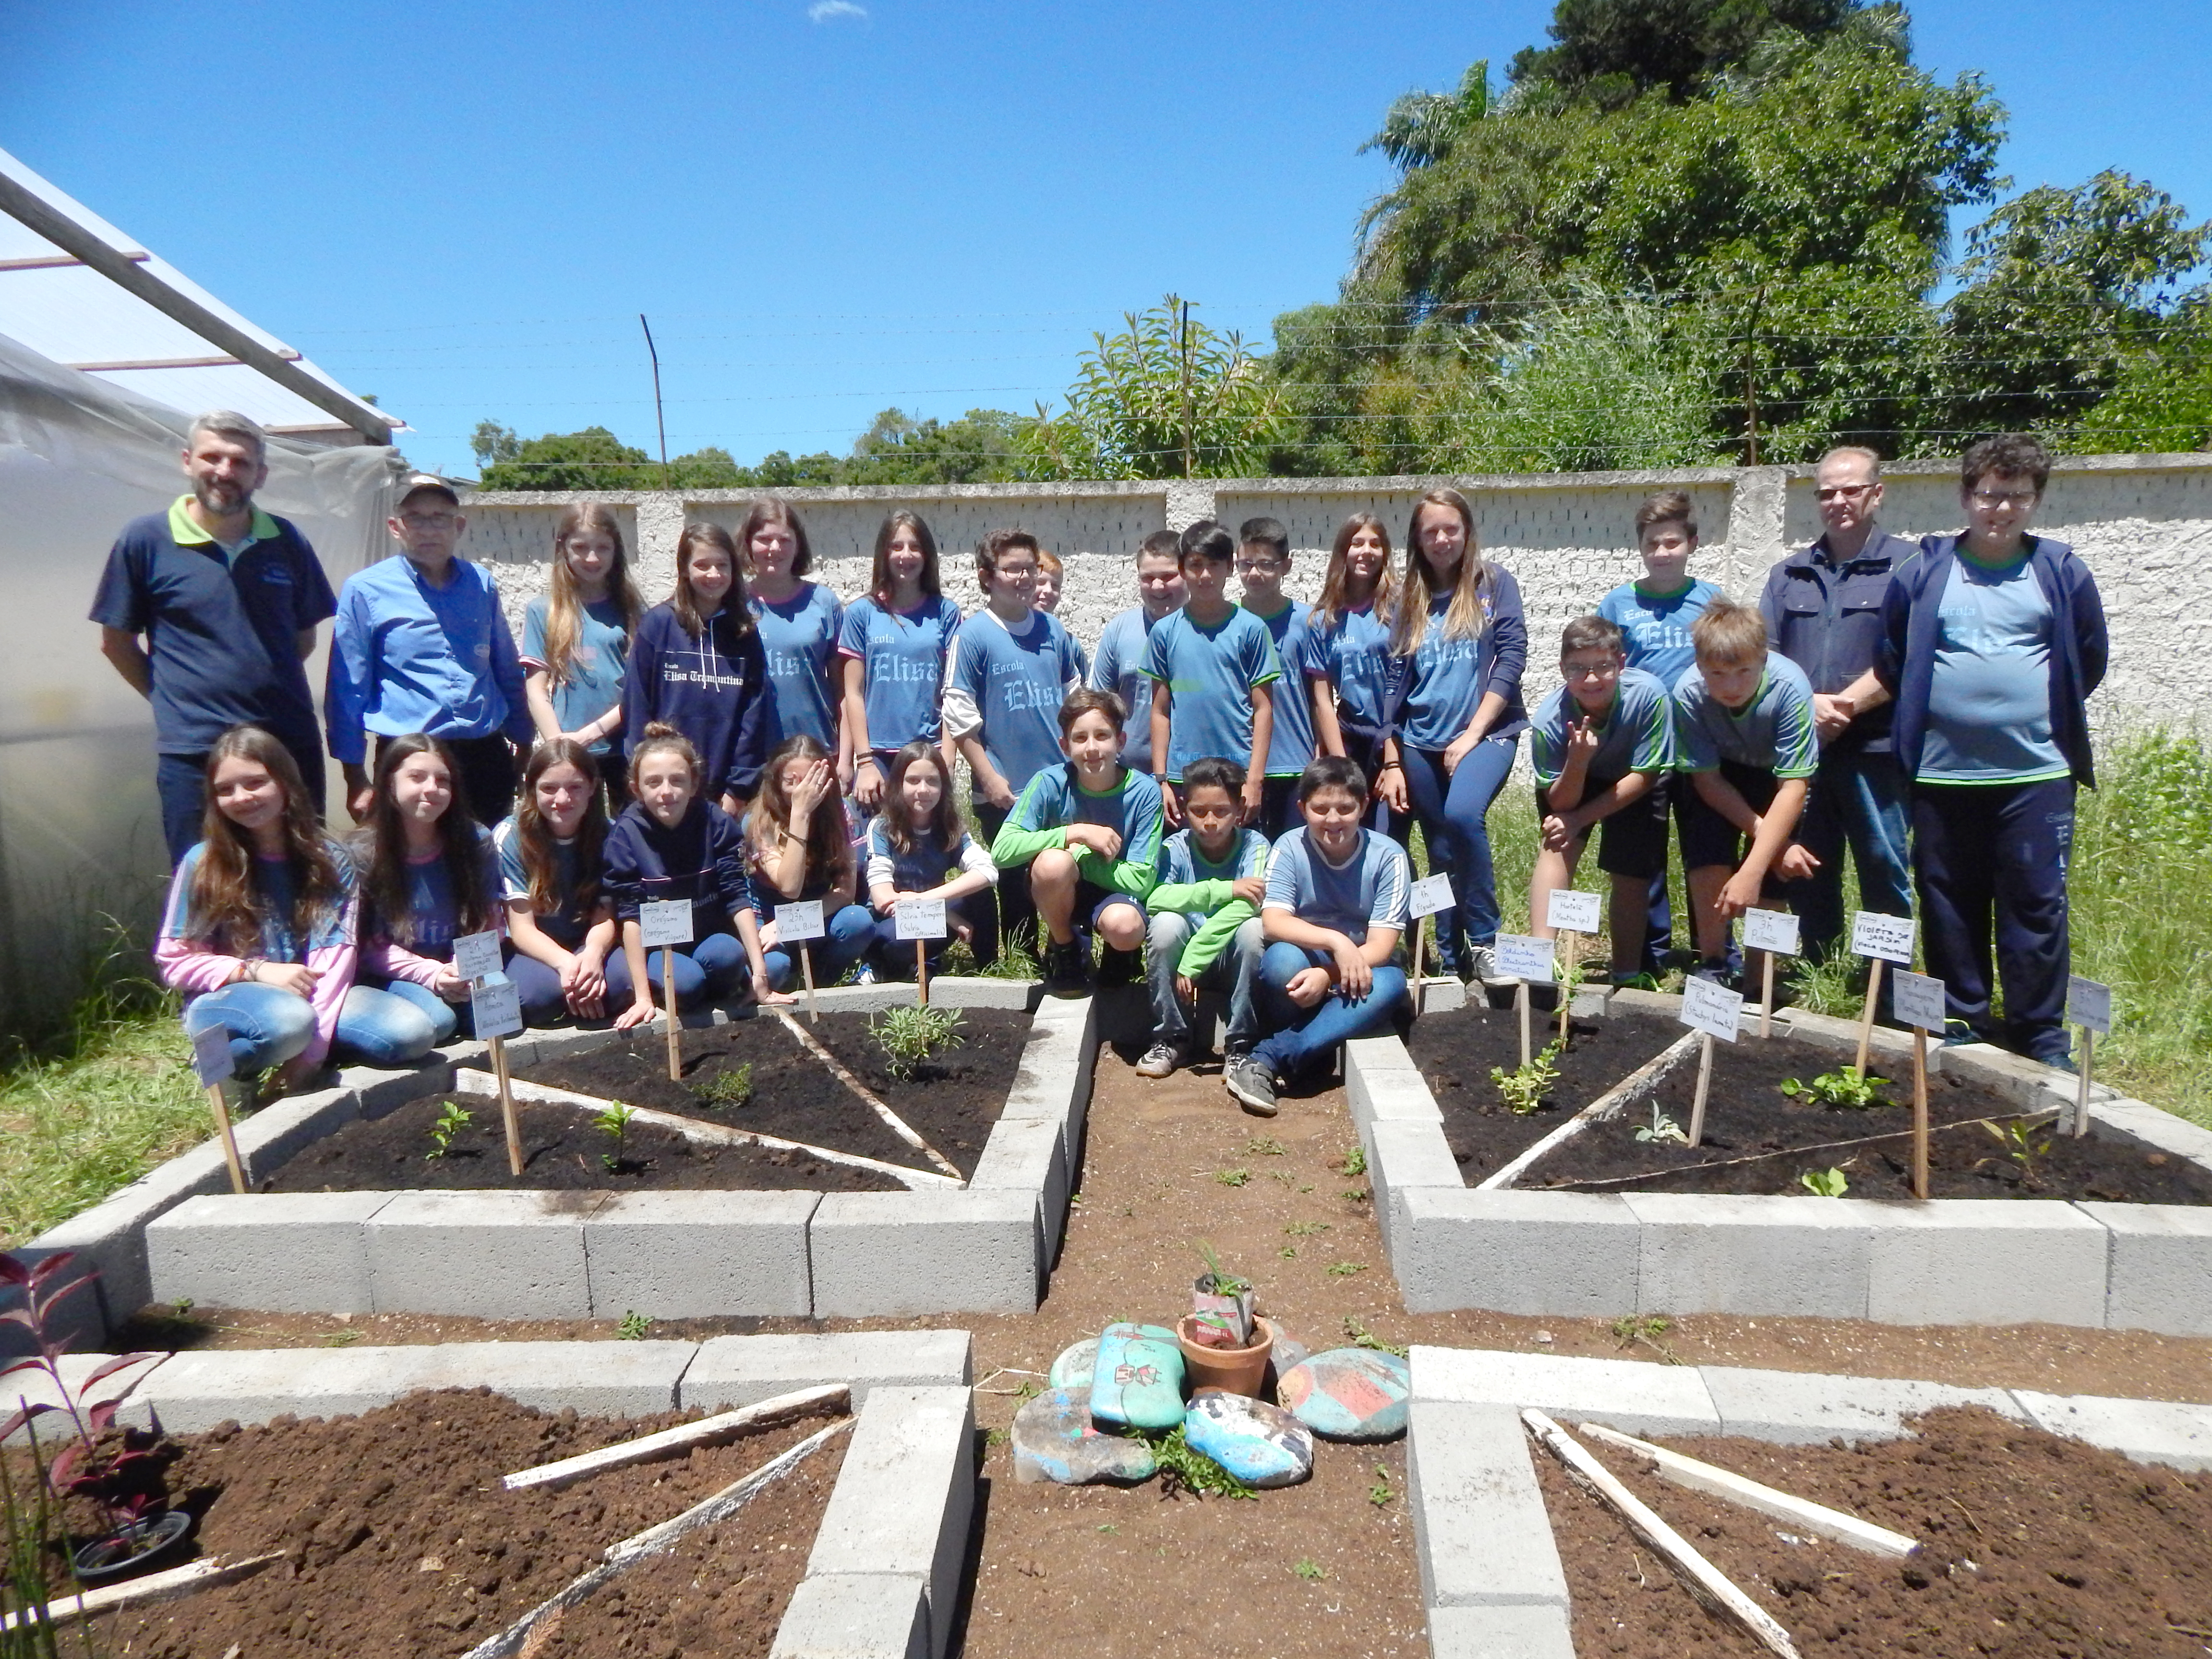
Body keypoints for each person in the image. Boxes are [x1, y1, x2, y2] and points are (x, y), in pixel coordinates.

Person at [1875, 434, 2107, 1065]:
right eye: (1989, 495)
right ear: (1965, 496)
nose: (2000, 510)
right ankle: (1963, 1016)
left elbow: (2089, 658)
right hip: (1943, 777)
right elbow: (1893, 657)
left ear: (2036, 501)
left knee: (2035, 905)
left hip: (2036, 776)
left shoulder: (2061, 572)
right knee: (1949, 901)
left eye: (2016, 497)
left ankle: (2039, 1032)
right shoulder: (1923, 572)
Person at [92, 410, 338, 864]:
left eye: (240, 462)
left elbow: (302, 640)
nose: (224, 471)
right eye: (212, 457)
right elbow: (116, 642)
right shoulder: (144, 540)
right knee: (206, 884)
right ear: (187, 461)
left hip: (288, 745)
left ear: (260, 475)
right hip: (195, 752)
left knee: (305, 875)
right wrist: (174, 699)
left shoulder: (287, 540)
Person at [157, 725, 437, 1088]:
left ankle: (292, 1048)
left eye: (256, 782)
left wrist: (311, 1056)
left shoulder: (330, 859)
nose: (242, 797)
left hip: (309, 994)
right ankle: (225, 1071)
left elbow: (334, 959)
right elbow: (174, 962)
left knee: (412, 1034)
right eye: (225, 790)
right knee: (291, 1024)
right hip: (229, 996)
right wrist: (254, 971)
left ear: (286, 785)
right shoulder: (204, 862)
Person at [1757, 447, 1916, 962]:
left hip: (1877, 747)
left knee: (1883, 863)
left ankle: (1885, 983)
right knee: (1807, 865)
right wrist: (1809, 707)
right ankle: (1817, 968)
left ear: (1877, 493)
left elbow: (1912, 653)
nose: (1839, 501)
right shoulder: (1789, 575)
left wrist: (1844, 706)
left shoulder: (1911, 566)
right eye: (1827, 493)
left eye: (1851, 490)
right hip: (1805, 750)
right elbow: (1766, 658)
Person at [326, 477, 533, 829]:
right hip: (408, 756)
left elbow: (505, 666)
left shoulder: (481, 583)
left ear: (459, 526)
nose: (429, 530)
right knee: (410, 868)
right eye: (416, 518)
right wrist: (354, 777)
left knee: (484, 865)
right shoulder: (366, 589)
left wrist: (524, 738)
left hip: (482, 753)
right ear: (396, 528)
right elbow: (348, 688)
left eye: (440, 517)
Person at [1228, 756, 1411, 1118]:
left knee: (1391, 983)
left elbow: (1382, 946)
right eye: (1320, 809)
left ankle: (1268, 1058)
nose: (1332, 820)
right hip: (1305, 957)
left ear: (1363, 806)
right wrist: (1336, 943)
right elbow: (1274, 923)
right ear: (1302, 808)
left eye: (1345, 809)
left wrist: (1329, 976)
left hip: (1357, 969)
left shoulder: (1389, 857)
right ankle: (1315, 1045)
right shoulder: (1289, 847)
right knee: (1282, 962)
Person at [1394, 489, 1526, 984]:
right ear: (1419, 540)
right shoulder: (1409, 596)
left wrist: (1472, 734)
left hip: (1488, 734)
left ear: (1466, 531)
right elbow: (1396, 677)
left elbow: (1512, 658)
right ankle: (1450, 960)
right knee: (1440, 848)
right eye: (1431, 531)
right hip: (1419, 740)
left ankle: (1486, 941)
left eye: (1451, 528)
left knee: (1463, 816)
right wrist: (1393, 744)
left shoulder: (1494, 584)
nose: (1442, 539)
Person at [945, 528, 1086, 965]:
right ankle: (1021, 960)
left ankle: (1063, 951)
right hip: (1003, 789)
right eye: (1013, 570)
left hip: (1058, 783)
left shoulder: (1054, 631)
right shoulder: (972, 637)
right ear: (988, 576)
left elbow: (1076, 702)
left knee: (1062, 873)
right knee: (1014, 881)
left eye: (1030, 568)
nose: (1024, 578)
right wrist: (988, 776)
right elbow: (958, 714)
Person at [1599, 491, 1725, 974]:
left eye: (1672, 542)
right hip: (1641, 752)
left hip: (1699, 748)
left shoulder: (1711, 601)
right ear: (1641, 547)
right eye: (1653, 543)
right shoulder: (1619, 603)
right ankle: (1647, 955)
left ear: (1691, 543)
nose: (1662, 552)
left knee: (1704, 851)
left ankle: (1709, 952)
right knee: (1641, 854)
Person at [1671, 601, 1822, 986]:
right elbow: (1706, 782)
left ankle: (1760, 977)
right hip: (1721, 775)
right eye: (1717, 674)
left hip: (1778, 778)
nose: (1731, 687)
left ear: (1763, 658)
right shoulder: (1688, 692)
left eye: (1744, 672)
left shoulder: (1791, 687)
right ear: (1700, 666)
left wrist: (1756, 867)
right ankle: (1714, 961)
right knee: (1706, 849)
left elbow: (1794, 786)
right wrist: (1774, 841)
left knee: (1775, 875)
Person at [1525, 618, 1677, 985]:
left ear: (1621, 664)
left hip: (1633, 779)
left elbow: (1647, 775)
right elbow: (1559, 802)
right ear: (1563, 669)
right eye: (1578, 669)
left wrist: (1582, 817)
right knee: (1557, 842)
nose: (1591, 680)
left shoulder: (1650, 696)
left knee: (1631, 865)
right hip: (1575, 780)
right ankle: (1538, 963)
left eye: (1603, 667)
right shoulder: (1549, 720)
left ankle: (1626, 972)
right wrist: (1578, 762)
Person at [604, 723, 787, 1025]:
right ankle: (682, 991)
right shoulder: (625, 835)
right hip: (660, 946)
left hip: (708, 936)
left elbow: (736, 897)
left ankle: (736, 986)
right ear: (636, 788)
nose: (666, 792)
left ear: (693, 784)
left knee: (747, 959)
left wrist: (760, 973)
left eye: (677, 781)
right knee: (687, 984)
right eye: (654, 783)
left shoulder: (715, 822)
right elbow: (630, 916)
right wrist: (642, 999)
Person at [990, 689, 1162, 997]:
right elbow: (1002, 851)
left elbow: (1142, 879)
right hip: (1061, 889)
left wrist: (1081, 860)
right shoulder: (1049, 783)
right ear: (1065, 746)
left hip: (1118, 894)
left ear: (1120, 742)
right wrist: (1076, 833)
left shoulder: (1145, 792)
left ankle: (1120, 955)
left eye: (1102, 736)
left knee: (1125, 928)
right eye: (1080, 738)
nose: (1092, 748)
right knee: (1053, 864)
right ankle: (1066, 948)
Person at [350, 733, 505, 1046]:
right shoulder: (362, 854)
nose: (432, 789)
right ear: (389, 783)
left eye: (443, 780)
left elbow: (491, 920)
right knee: (440, 1022)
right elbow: (365, 946)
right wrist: (430, 974)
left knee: (500, 1016)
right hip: (391, 972)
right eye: (417, 778)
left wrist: (467, 966)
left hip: (459, 964)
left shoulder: (476, 841)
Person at [623, 522, 772, 816]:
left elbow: (755, 716)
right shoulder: (658, 625)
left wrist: (738, 790)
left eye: (722, 565)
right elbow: (637, 706)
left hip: (724, 794)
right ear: (684, 569)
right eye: (702, 565)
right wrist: (647, 781)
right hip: (664, 792)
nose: (714, 575)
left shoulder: (744, 632)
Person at [1135, 756, 1270, 1080]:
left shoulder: (1257, 845)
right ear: (1184, 807)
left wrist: (1195, 958)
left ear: (1239, 808)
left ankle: (1240, 1044)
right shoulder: (1174, 847)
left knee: (1253, 928)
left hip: (1226, 960)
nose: (1210, 822)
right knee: (1166, 924)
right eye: (1199, 811)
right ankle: (1172, 1036)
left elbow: (1250, 905)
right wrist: (1226, 889)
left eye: (1222, 811)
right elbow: (1155, 898)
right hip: (1181, 965)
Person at [1145, 521, 1279, 830]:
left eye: (1214, 565)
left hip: (1237, 775)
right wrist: (1162, 779)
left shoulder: (1252, 629)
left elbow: (1263, 709)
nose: (1205, 575)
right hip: (1183, 776)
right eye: (1195, 565)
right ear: (1182, 569)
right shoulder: (1165, 633)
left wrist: (1255, 780)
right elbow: (1160, 711)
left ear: (1230, 568)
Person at [495, 738, 628, 1025]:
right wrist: (567, 965)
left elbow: (605, 913)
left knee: (621, 987)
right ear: (532, 789)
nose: (563, 799)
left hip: (586, 939)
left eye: (575, 787)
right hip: (536, 948)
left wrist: (593, 955)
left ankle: (580, 993)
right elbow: (521, 929)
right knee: (537, 1001)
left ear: (593, 787)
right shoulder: (511, 837)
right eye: (549, 788)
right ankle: (573, 994)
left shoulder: (610, 834)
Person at [838, 511, 963, 810]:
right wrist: (864, 762)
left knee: (929, 849)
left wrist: (948, 758)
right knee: (874, 849)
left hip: (927, 752)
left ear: (928, 554)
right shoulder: (861, 614)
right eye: (897, 547)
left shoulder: (946, 613)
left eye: (915, 547)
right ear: (884, 553)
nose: (906, 555)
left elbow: (954, 692)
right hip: (877, 756)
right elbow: (853, 694)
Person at [521, 504, 643, 806]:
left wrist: (593, 733)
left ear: (617, 551)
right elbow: (536, 689)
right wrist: (560, 744)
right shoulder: (543, 611)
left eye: (603, 547)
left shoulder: (632, 610)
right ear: (563, 548)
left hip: (623, 747)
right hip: (567, 748)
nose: (592, 558)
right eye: (581, 547)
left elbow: (641, 690)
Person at [1305, 513, 1408, 842]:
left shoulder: (1400, 608)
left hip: (1400, 735)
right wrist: (1342, 765)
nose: (1366, 551)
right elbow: (1323, 699)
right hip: (1353, 736)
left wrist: (1392, 758)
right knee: (1352, 835)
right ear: (1342, 552)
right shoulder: (1324, 619)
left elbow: (1406, 683)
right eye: (1357, 543)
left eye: (1375, 544)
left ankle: (1405, 894)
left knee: (1390, 835)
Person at [747, 735, 876, 993]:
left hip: (817, 915)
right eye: (790, 782)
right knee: (775, 969)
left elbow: (844, 893)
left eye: (809, 781)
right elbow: (790, 887)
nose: (800, 790)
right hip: (770, 922)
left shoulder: (843, 816)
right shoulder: (759, 823)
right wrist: (801, 816)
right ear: (775, 782)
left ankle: (821, 980)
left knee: (858, 922)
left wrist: (792, 925)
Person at [862, 741, 1000, 980]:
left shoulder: (950, 826)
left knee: (981, 893)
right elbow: (883, 899)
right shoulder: (882, 827)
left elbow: (988, 871)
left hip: (926, 912)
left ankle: (989, 970)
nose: (923, 790)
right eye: (913, 781)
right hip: (890, 924)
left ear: (943, 787)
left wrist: (921, 900)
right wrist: (948, 916)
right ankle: (890, 967)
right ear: (898, 784)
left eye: (932, 781)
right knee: (896, 942)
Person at [741, 498, 848, 774]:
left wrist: (847, 759)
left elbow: (844, 692)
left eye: (785, 540)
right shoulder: (733, 604)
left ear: (798, 545)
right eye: (764, 539)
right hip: (752, 757)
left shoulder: (824, 603)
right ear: (748, 544)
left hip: (816, 751)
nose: (775, 549)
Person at [1236, 517, 1318, 835]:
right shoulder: (1229, 621)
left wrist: (1320, 748)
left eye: (1266, 565)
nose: (1255, 574)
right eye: (1247, 564)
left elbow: (1318, 695)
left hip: (1295, 761)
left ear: (1287, 566)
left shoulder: (1307, 622)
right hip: (1242, 760)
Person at [1087, 530, 1187, 778]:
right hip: (1129, 776)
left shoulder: (1208, 630)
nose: (1157, 586)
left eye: (1168, 576)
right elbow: (1098, 705)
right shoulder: (1119, 632)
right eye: (1148, 578)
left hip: (1193, 778)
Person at [1034, 547, 1090, 681]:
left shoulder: (1070, 644)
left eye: (1055, 586)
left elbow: (1084, 691)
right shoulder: (1008, 636)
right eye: (1040, 583)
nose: (1048, 590)